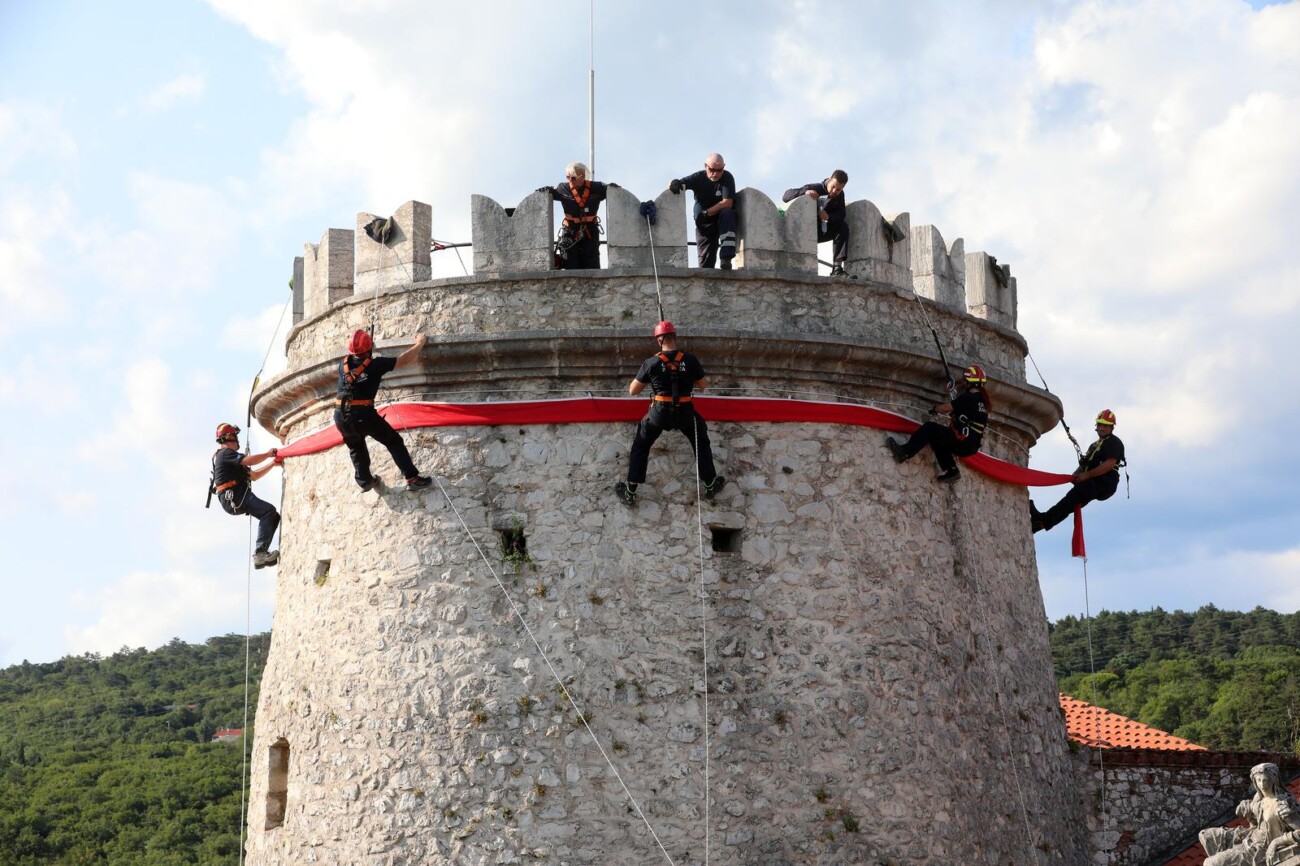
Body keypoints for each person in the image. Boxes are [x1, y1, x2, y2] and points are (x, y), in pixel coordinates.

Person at [615, 321, 726, 505]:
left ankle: (631, 491)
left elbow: (633, 391)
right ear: (675, 337)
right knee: (701, 441)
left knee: (641, 446)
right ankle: (710, 484)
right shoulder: (690, 360)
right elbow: (703, 386)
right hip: (685, 413)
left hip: (658, 414)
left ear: (659, 340)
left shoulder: (651, 363)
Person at [334, 329, 432, 492]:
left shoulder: (342, 366)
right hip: (363, 414)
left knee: (356, 446)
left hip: (340, 415)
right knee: (393, 441)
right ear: (369, 347)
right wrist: (419, 343)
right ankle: (412, 478)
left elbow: (359, 371)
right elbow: (403, 360)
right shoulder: (376, 365)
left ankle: (364, 480)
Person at [885, 365, 991, 482]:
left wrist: (936, 408)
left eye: (965, 381)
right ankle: (952, 470)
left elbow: (946, 408)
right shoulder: (983, 402)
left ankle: (905, 452)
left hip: (962, 441)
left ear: (969, 382)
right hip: (970, 446)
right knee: (938, 439)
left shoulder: (968, 397)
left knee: (930, 428)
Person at [1030, 410, 1124, 533]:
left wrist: (1086, 475)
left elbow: (1109, 464)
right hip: (1094, 481)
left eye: (1104, 425)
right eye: (1099, 425)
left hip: (1104, 482)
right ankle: (1040, 524)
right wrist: (1077, 476)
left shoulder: (1114, 442)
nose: (1100, 428)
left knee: (1071, 498)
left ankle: (1043, 520)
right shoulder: (1095, 445)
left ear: (1111, 427)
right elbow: (1087, 465)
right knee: (1071, 503)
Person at [1197, 763, 1300, 866]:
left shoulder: (1282, 806)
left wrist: (1275, 842)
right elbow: (1257, 824)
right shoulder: (1258, 799)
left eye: (1265, 780)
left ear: (1274, 780)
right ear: (1254, 782)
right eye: (1259, 780)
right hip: (1249, 836)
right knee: (1205, 835)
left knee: (1210, 863)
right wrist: (1248, 814)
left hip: (1259, 849)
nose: (1262, 784)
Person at [210, 423, 282, 569]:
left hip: (235, 498)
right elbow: (249, 461)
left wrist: (272, 464)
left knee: (272, 515)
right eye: (235, 436)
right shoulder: (225, 454)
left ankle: (262, 554)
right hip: (234, 497)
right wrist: (268, 455)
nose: (238, 440)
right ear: (230, 437)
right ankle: (260, 553)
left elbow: (254, 476)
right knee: (268, 512)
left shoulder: (231, 461)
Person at [537, 161, 613, 270]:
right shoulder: (563, 188)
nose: (569, 180)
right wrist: (547, 190)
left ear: (582, 177)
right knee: (570, 265)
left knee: (592, 265)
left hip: (590, 232)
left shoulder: (597, 187)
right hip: (570, 231)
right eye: (567, 177)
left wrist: (613, 188)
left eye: (573, 178)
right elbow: (552, 191)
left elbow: (610, 189)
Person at [669, 153, 737, 270]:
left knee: (728, 213)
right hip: (704, 226)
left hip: (721, 221)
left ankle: (726, 258)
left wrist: (706, 212)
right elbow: (679, 183)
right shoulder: (698, 177)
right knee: (706, 266)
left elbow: (727, 202)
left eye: (719, 170)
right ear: (705, 166)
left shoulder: (727, 178)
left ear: (723, 167)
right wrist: (674, 183)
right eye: (712, 169)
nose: (715, 173)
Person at [782, 169, 850, 276]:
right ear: (829, 180)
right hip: (805, 233)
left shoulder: (839, 195)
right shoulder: (815, 188)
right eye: (833, 187)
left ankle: (837, 268)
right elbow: (786, 196)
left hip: (822, 232)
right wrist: (804, 193)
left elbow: (841, 214)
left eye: (838, 190)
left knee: (842, 227)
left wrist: (829, 217)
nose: (834, 191)